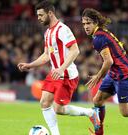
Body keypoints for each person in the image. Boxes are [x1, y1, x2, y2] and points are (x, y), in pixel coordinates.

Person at [17, 1, 100, 135]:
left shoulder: (63, 29)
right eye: (37, 15)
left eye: (41, 15)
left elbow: (75, 50)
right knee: (44, 103)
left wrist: (61, 68)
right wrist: (30, 65)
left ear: (50, 13)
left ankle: (90, 113)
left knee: (58, 109)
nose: (38, 18)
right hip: (55, 73)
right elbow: (46, 55)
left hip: (66, 74)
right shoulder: (48, 33)